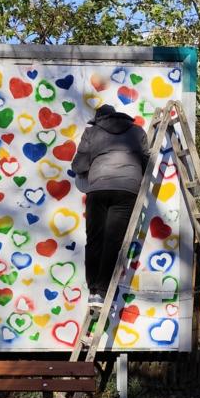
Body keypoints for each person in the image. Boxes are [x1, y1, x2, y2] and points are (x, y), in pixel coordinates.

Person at [71, 104, 149, 305]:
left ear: (99, 119)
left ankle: (94, 290)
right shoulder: (137, 130)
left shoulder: (92, 132)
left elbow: (79, 165)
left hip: (99, 188)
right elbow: (147, 161)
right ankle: (103, 291)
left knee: (95, 239)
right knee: (113, 241)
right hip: (127, 189)